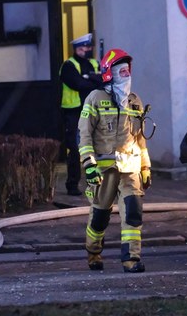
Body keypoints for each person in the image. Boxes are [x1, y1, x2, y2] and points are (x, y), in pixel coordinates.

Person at [78, 48, 152, 273]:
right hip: (103, 170)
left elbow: (140, 139)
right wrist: (89, 165)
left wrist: (145, 166)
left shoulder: (134, 101)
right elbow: (84, 135)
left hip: (130, 169)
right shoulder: (95, 98)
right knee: (100, 215)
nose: (126, 76)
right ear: (109, 73)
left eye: (128, 72)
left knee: (133, 211)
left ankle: (131, 259)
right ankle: (93, 253)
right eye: (122, 72)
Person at [59, 33, 102, 195]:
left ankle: (99, 183)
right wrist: (93, 79)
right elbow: (77, 84)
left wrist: (89, 78)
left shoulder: (93, 63)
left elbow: (104, 80)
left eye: (88, 47)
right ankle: (72, 185)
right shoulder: (68, 65)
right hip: (74, 113)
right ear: (76, 49)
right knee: (75, 150)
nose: (86, 50)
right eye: (83, 48)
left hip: (93, 110)